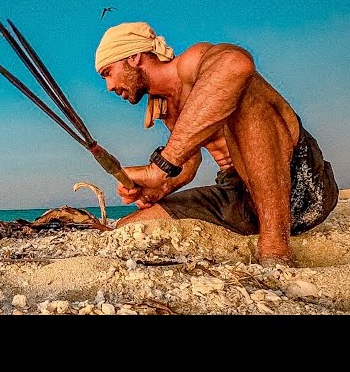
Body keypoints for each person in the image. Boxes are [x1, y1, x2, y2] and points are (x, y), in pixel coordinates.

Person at [94, 22, 338, 267]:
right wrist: (161, 186)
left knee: (241, 86)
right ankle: (261, 229)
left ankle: (275, 249)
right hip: (240, 198)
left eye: (108, 73)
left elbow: (236, 63)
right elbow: (189, 163)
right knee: (128, 228)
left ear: (134, 57)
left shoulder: (191, 64)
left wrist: (159, 168)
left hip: (300, 185)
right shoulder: (165, 105)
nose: (109, 86)